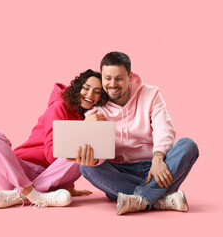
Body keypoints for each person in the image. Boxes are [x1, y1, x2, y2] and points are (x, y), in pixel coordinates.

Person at [71, 52, 199, 215]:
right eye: (107, 78)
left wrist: (158, 158)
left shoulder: (151, 94)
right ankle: (158, 198)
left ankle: (139, 199)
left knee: (188, 145)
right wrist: (93, 159)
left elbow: (163, 127)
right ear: (101, 76)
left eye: (119, 78)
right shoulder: (97, 109)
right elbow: (100, 150)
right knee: (87, 168)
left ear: (129, 76)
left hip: (154, 168)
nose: (112, 84)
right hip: (119, 173)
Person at [0, 69, 108, 209]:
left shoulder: (88, 116)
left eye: (97, 92)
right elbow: (51, 155)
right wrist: (84, 127)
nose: (90, 94)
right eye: (86, 88)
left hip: (50, 177)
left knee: (87, 151)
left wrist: (69, 187)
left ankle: (20, 196)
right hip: (19, 172)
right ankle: (33, 194)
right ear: (78, 88)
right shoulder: (59, 106)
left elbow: (67, 156)